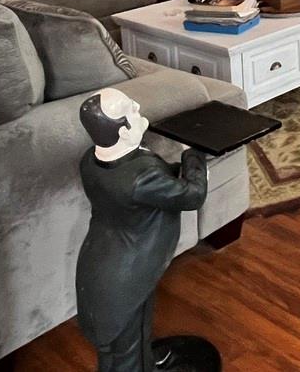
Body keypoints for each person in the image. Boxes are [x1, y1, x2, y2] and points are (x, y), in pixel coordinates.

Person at [75, 89, 209, 372]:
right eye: (129, 110)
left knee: (125, 340)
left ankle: (146, 364)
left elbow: (150, 186)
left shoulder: (91, 161)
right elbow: (193, 195)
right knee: (126, 346)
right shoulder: (139, 180)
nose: (137, 105)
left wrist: (171, 171)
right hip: (126, 274)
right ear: (123, 132)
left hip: (102, 262)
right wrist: (193, 154)